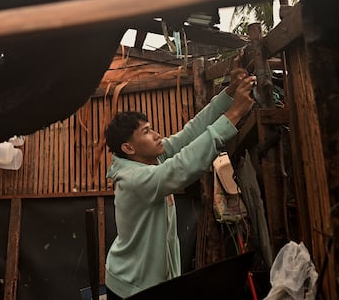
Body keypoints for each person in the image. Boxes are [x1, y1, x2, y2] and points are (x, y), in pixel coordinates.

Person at [103, 57, 256, 299]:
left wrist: (228, 95)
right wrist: (235, 114)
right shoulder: (134, 180)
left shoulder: (152, 159)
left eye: (152, 128)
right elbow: (182, 167)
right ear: (129, 148)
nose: (157, 135)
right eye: (147, 132)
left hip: (154, 282)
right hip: (131, 288)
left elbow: (191, 132)